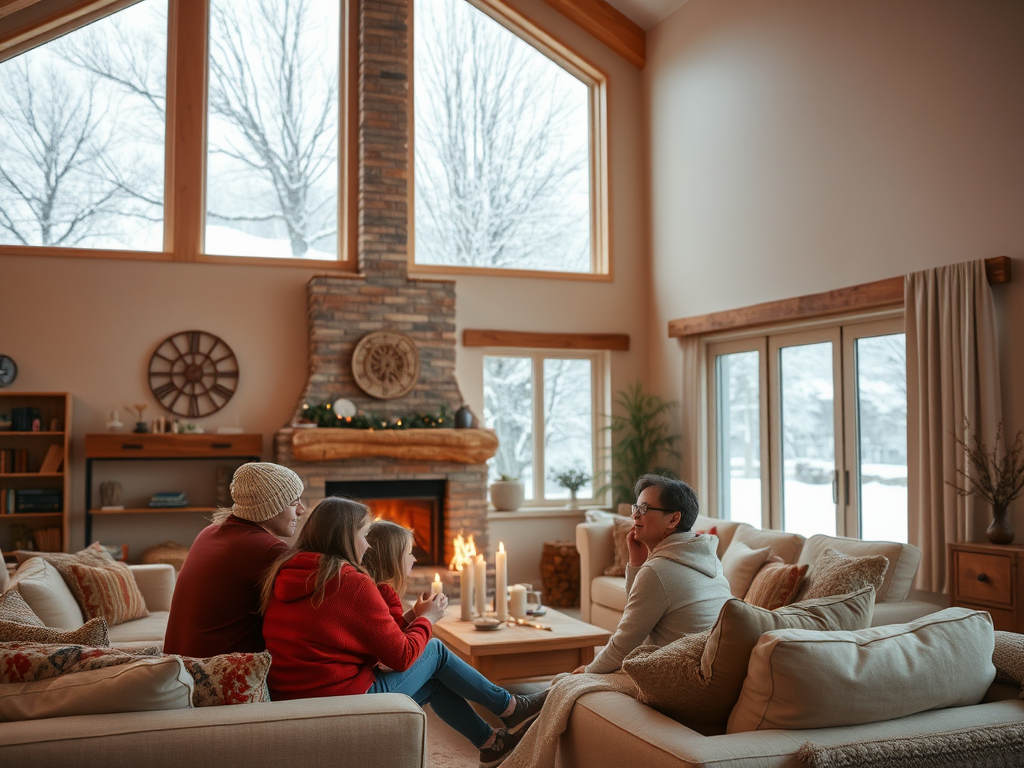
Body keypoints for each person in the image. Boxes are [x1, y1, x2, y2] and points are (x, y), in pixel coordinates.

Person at [259, 498, 548, 768]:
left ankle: (490, 743)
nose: (368, 547)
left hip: (295, 697)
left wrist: (413, 617)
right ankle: (510, 706)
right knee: (434, 651)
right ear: (345, 538)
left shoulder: (288, 571)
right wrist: (428, 619)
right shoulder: (350, 582)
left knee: (434, 683)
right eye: (363, 535)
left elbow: (357, 634)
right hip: (339, 699)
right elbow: (401, 657)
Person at [575, 474, 731, 674]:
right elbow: (636, 613)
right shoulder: (707, 557)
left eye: (644, 509)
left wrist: (588, 671)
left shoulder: (659, 571)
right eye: (636, 507)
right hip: (706, 670)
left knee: (572, 679)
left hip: (677, 676)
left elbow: (623, 646)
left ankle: (527, 702)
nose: (635, 516)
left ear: (674, 519)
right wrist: (636, 563)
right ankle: (527, 702)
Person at [163, 462, 306, 657]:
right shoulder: (267, 549)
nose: (301, 510)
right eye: (294, 502)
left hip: (182, 665)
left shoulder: (210, 531)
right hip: (217, 672)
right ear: (271, 507)